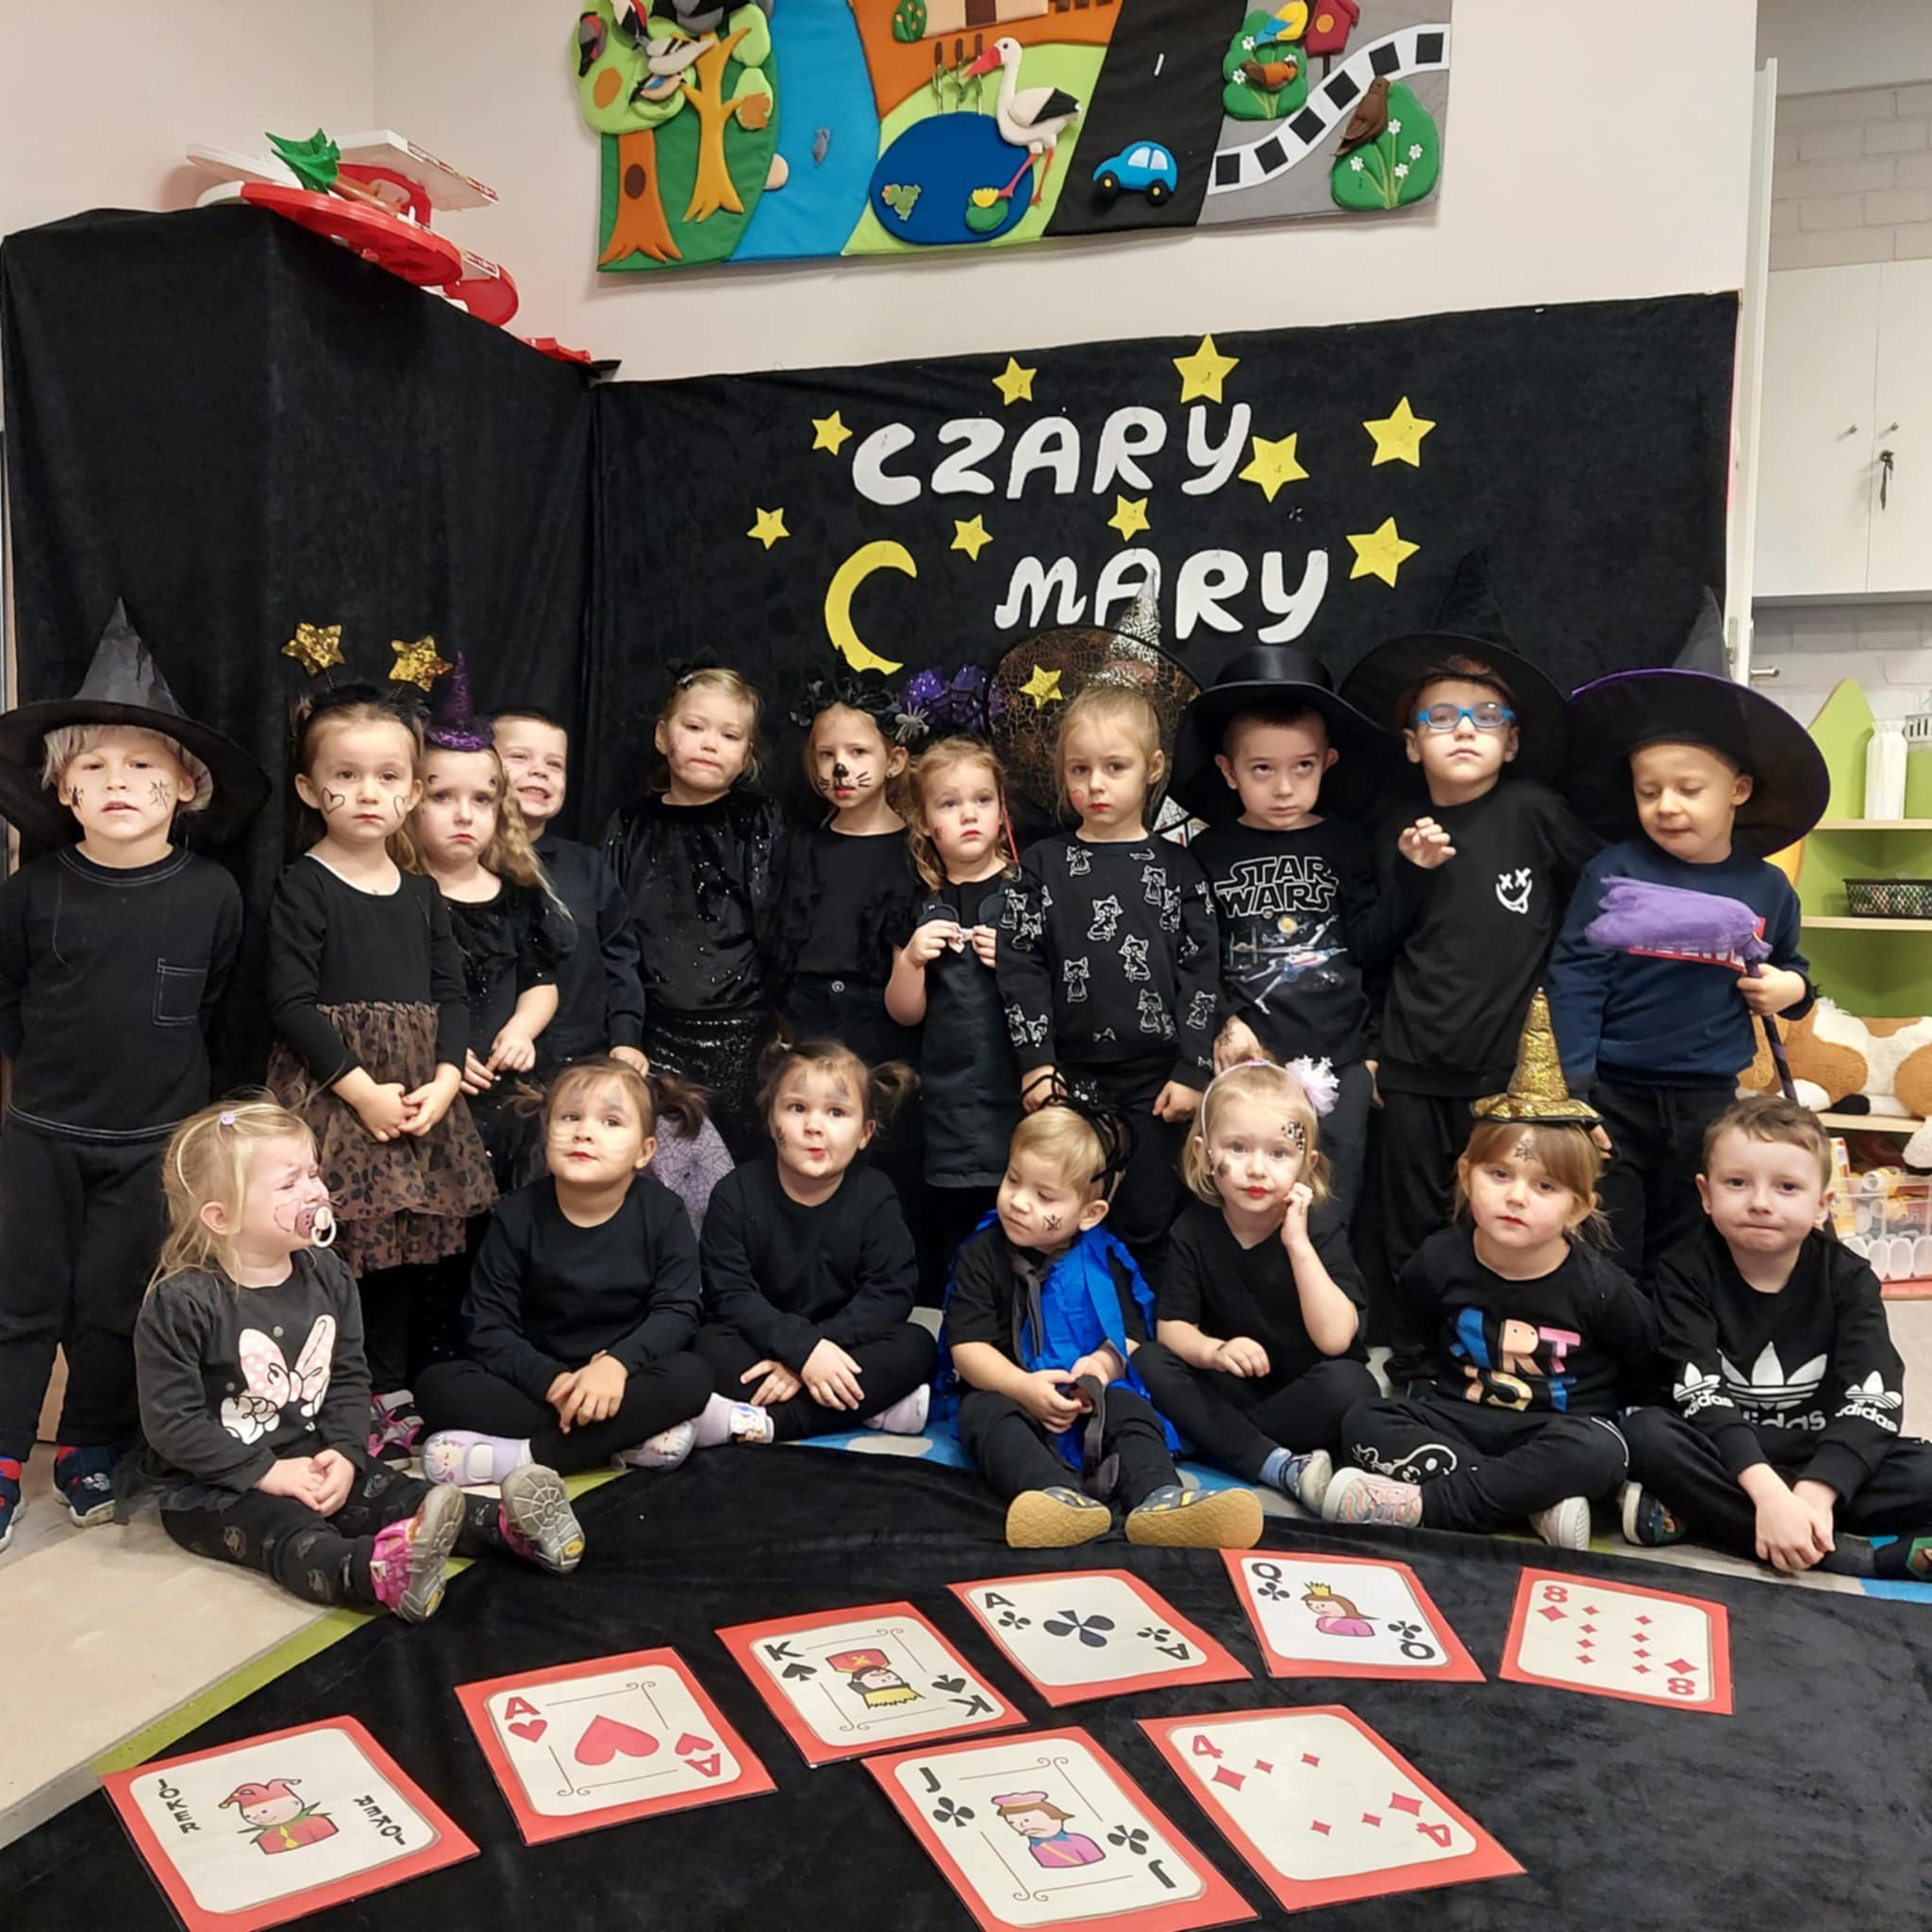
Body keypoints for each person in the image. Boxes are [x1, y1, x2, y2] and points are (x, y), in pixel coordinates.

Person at [0, 600, 264, 1551]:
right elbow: (8, 999)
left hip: (155, 1141)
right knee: (19, 1301)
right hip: (41, 1135)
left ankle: (91, 1444)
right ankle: (3, 1457)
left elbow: (221, 1009)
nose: (119, 782)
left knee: (118, 1304)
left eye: (145, 766)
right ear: (61, 790)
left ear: (186, 786)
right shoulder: (31, 892)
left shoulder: (211, 894)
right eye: (94, 767)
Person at [135, 1101, 583, 1621]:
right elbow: (172, 1423)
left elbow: (347, 1376)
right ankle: (376, 1572)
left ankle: (510, 1527)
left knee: (400, 1494)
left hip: (315, 1456)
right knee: (288, 1533)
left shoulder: (327, 1273)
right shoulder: (183, 1302)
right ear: (222, 1216)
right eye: (289, 1184)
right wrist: (266, 1472)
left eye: (313, 1174)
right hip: (214, 1486)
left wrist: (346, 1453)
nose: (315, 1192)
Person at [1324, 994, 1656, 1549]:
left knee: (1603, 1451)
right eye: (1499, 1175)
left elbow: (1640, 1363)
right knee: (1363, 1420)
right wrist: (1423, 1391)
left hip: (1555, 1430)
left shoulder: (1600, 1288)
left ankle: (1428, 1505)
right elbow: (1412, 1337)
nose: (1516, 1197)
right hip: (1459, 1418)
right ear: (1466, 1176)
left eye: (1544, 1186)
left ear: (1578, 1208)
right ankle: (1530, 1502)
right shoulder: (1438, 1260)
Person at [265, 687, 495, 1454]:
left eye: (389, 777)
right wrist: (362, 1093)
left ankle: (389, 1390)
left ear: (413, 789)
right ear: (309, 789)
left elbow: (452, 995)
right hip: (337, 1097)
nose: (369, 793)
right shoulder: (304, 885)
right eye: (347, 775)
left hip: (419, 1099)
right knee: (337, 1250)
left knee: (403, 1252)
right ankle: (330, 1400)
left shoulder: (423, 895)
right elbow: (290, 1003)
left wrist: (445, 1081)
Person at [1549, 646, 1825, 1276]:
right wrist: (1576, 1092)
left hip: (1709, 1099)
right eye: (1649, 791)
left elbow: (1796, 972)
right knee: (1607, 1240)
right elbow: (1576, 978)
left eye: (1688, 789)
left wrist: (1789, 989)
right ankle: (1615, 1336)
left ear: (1738, 791)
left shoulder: (1767, 889)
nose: (1666, 805)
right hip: (1614, 1093)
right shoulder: (1613, 870)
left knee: (1693, 1241)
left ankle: (1680, 1336)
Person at [1340, 621, 1597, 1295]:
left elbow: (1597, 904)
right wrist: (1413, 874)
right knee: (1408, 1220)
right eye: (1442, 717)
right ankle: (1413, 1342)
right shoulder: (1393, 825)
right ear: (1412, 742)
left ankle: (1484, 1333)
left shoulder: (1537, 813)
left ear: (1511, 742)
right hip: (1411, 1063)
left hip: (1507, 1068)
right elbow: (1366, 947)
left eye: (1486, 717)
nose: (1463, 730)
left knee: (1501, 1214)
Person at [1621, 1095, 1932, 1579]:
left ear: (1823, 1204)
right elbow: (1697, 1389)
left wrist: (1816, 1492)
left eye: (1787, 1187)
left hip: (1815, 1449)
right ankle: (1852, 1556)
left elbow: (1875, 1396)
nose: (1760, 1202)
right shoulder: (1683, 1271)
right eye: (1737, 1183)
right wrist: (1767, 1493)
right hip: (1722, 1449)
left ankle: (1713, 1516)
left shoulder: (1849, 1278)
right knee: (1645, 1435)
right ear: (1705, 1194)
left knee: (1921, 1469)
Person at [937, 1093, 1263, 1551]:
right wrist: (1023, 1388)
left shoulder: (1107, 1258)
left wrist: (1102, 1368)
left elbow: (1130, 1337)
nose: (1019, 1202)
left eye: (1044, 1196)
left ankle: (1159, 1497)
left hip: (1089, 1396)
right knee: (982, 1412)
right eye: (1013, 1180)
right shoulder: (982, 1252)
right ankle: (1056, 1497)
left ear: (1090, 1214)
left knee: (1130, 1407)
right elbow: (967, 1348)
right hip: (1012, 1389)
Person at [1168, 645, 1405, 1219]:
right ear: (1228, 771)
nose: (1283, 788)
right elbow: (1195, 956)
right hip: (1249, 1062)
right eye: (1262, 769)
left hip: (1342, 1058)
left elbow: (1374, 951)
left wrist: (1374, 1053)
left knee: (1332, 1207)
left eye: (1303, 767)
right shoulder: (1208, 852)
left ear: (1328, 762)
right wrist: (1224, 1022)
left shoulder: (1348, 843)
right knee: (1245, 1201)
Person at [996, 682, 1219, 1274]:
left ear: (1152, 769)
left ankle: (1145, 1322)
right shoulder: (1040, 866)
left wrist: (1194, 1067)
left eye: (1114, 767)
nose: (1095, 784)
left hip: (1156, 1082)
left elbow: (1202, 973)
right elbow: (1020, 967)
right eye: (1080, 769)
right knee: (1059, 1214)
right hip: (1067, 1076)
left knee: (1148, 1216)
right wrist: (1036, 1062)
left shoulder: (1180, 868)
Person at [414, 1058, 715, 1482]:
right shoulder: (517, 1214)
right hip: (537, 1383)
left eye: (611, 1122)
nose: (584, 1132)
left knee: (692, 1376)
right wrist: (552, 1381)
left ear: (644, 1151)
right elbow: (487, 1324)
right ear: (546, 1132)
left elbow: (677, 1311)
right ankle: (622, 1439)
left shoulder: (664, 1212)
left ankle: (525, 1457)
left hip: (624, 1379)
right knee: (436, 1386)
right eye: (570, 1117)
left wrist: (616, 1366)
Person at [1132, 1059, 1377, 1507]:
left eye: (1279, 1154)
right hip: (1231, 1386)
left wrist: (1298, 1245)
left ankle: (1221, 1441)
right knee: (1149, 1360)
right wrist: (1215, 1351)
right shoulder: (1193, 1229)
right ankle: (1272, 1462)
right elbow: (1172, 1328)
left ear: (1307, 1163)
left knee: (1353, 1386)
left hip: (1303, 1390)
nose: (1258, 1169)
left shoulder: (1318, 1229)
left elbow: (1336, 1340)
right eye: (1238, 1148)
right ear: (1206, 1154)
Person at [694, 1040, 935, 1443]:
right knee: (705, 1345)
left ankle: (769, 1423)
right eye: (797, 1108)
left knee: (917, 1344)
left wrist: (818, 1350)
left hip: (843, 1343)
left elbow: (890, 1292)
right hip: (761, 1341)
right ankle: (868, 1408)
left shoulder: (875, 1194)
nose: (814, 1126)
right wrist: (801, 1351)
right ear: (771, 1119)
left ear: (865, 1133)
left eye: (836, 1112)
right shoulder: (734, 1193)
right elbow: (730, 1294)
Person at [603, 668, 785, 1158]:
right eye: (695, 727)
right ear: (663, 736)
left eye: (729, 735)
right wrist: (625, 1029)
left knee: (740, 1163)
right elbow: (611, 932)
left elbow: (774, 923)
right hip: (654, 1031)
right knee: (663, 1161)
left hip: (741, 1033)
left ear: (746, 755)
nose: (710, 744)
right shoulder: (631, 824)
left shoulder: (757, 819)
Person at [408, 661, 572, 1191]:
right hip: (433, 1091)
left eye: (481, 799)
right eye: (442, 798)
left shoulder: (517, 895)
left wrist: (522, 1029)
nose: (464, 815)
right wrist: (441, 1053)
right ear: (409, 802)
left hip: (513, 1096)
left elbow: (541, 981)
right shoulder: (401, 898)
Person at [886, 735, 1024, 1295]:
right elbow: (904, 1013)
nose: (969, 814)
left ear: (1001, 810)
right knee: (958, 1234)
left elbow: (1062, 996)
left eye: (982, 800)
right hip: (948, 1106)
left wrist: (1016, 964)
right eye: (949, 803)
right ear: (924, 820)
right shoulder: (916, 900)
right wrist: (912, 961)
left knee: (1023, 1215)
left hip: (1018, 1093)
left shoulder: (1028, 890)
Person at [774, 674, 925, 1065]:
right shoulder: (801, 848)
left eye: (858, 752)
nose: (840, 767)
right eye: (827, 754)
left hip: (880, 1023)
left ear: (894, 761)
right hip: (804, 1017)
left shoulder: (916, 852)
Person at [491, 703, 650, 1074]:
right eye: (519, 757)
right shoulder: (461, 867)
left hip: (582, 1061)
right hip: (493, 1062)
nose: (539, 771)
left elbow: (619, 958)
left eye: (554, 764)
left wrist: (625, 1037)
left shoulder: (587, 867)